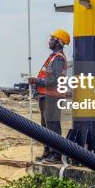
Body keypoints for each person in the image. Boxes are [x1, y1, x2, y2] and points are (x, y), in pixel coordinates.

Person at [28, 29, 70, 162]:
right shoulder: (53, 58)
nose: (49, 41)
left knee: (52, 125)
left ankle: (56, 154)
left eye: (52, 39)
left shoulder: (58, 59)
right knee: (45, 127)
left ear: (59, 42)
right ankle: (48, 152)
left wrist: (36, 81)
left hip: (52, 96)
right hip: (45, 96)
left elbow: (54, 80)